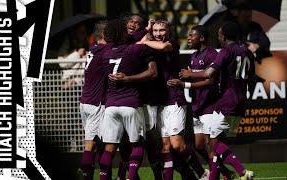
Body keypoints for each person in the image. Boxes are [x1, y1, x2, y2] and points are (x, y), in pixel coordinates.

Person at [178, 21, 255, 180]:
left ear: (224, 36)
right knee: (216, 145)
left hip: (227, 102)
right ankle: (223, 175)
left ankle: (242, 172)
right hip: (241, 102)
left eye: (219, 35)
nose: (218, 37)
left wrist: (189, 75)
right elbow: (251, 76)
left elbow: (209, 74)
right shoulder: (247, 52)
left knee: (213, 145)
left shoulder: (225, 51)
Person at [138, 19, 208, 180]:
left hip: (175, 98)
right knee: (166, 146)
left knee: (177, 144)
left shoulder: (172, 43)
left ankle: (202, 173)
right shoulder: (151, 43)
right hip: (160, 101)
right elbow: (140, 43)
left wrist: (146, 39)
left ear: (169, 31)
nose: (158, 34)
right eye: (155, 31)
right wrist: (147, 31)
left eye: (161, 30)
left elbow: (160, 46)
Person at [167, 25, 235, 179]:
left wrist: (186, 82)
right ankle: (226, 172)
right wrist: (189, 76)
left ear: (202, 38)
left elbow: (210, 81)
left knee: (211, 146)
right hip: (198, 106)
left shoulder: (211, 54)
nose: (188, 39)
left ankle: (220, 175)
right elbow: (197, 76)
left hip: (210, 106)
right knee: (198, 146)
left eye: (192, 36)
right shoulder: (194, 55)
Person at [99, 19, 157, 180]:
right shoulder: (136, 50)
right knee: (137, 146)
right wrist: (128, 79)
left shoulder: (105, 54)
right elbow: (153, 73)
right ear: (123, 33)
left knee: (109, 149)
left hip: (110, 106)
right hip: (130, 104)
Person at [79, 20, 112, 180]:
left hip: (85, 102)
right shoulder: (105, 51)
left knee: (99, 142)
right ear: (105, 35)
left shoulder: (93, 48)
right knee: (90, 144)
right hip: (95, 103)